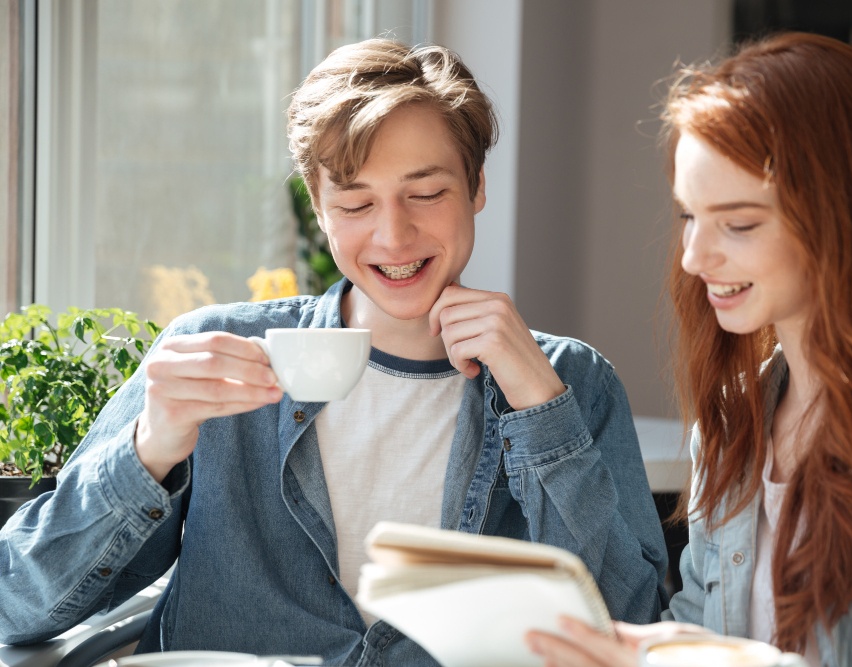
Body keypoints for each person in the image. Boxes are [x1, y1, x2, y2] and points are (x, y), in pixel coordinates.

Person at [0, 39, 669, 665]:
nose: (394, 234)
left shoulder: (574, 381)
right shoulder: (211, 355)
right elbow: (15, 601)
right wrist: (150, 447)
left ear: (477, 187)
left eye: (428, 193)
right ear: (318, 206)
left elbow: (626, 627)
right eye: (355, 202)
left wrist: (539, 406)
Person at [526, 31, 852, 667]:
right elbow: (699, 628)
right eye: (689, 216)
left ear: (847, 213)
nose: (694, 258)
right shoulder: (731, 423)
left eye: (739, 224)